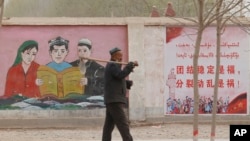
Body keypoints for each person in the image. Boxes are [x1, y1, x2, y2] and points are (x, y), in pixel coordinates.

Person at [102, 47, 137, 141]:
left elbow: (116, 79)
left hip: (112, 99)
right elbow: (120, 75)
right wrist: (129, 66)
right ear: (114, 56)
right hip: (114, 100)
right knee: (123, 123)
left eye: (122, 56)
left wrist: (127, 83)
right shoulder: (112, 65)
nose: (121, 58)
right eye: (119, 56)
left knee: (109, 125)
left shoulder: (113, 66)